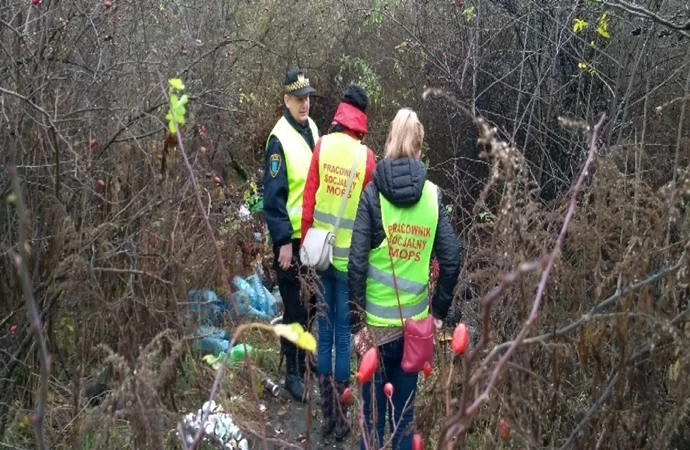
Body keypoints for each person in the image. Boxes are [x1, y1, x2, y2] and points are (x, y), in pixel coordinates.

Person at [347, 108, 462, 450]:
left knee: (371, 419)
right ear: (419, 145)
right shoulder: (433, 198)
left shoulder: (371, 195)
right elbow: (452, 259)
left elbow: (355, 265)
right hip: (415, 330)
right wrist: (438, 313)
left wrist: (357, 327)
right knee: (403, 419)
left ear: (390, 140)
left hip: (374, 332)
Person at [301, 85, 377, 440]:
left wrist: (306, 244)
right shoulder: (366, 158)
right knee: (345, 337)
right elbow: (370, 217)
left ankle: (327, 412)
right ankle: (341, 417)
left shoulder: (322, 146)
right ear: (362, 118)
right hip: (349, 262)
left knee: (325, 331)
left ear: (341, 112)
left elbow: (309, 200)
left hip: (321, 256)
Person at [263, 68, 319, 402]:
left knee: (310, 305)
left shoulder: (311, 128)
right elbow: (273, 198)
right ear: (286, 100)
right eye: (299, 99)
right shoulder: (278, 140)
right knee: (295, 309)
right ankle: (292, 374)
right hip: (291, 243)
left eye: (308, 98)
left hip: (311, 239)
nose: (305, 104)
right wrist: (282, 241)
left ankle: (302, 359)